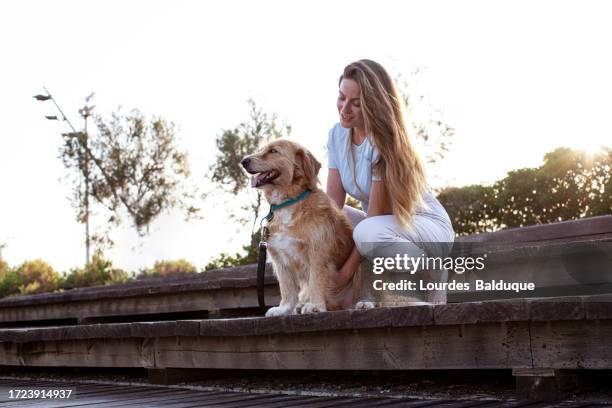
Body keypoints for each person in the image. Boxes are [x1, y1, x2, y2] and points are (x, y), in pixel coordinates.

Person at [326, 59, 454, 298]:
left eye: (356, 103)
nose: (344, 109)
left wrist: (345, 274)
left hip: (423, 226)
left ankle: (432, 269)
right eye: (342, 97)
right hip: (382, 225)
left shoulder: (383, 143)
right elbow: (332, 205)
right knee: (321, 216)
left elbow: (374, 216)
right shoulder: (337, 135)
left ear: (373, 105)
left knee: (367, 234)